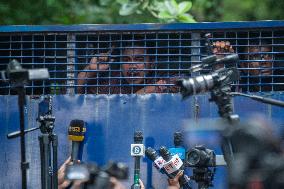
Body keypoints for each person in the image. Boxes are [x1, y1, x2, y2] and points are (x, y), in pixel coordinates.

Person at [77, 46, 179, 94]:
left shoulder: (157, 78)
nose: (132, 66)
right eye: (126, 60)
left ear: (151, 64)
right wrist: (90, 70)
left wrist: (154, 87)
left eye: (139, 60)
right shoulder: (111, 84)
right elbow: (69, 94)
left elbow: (185, 82)